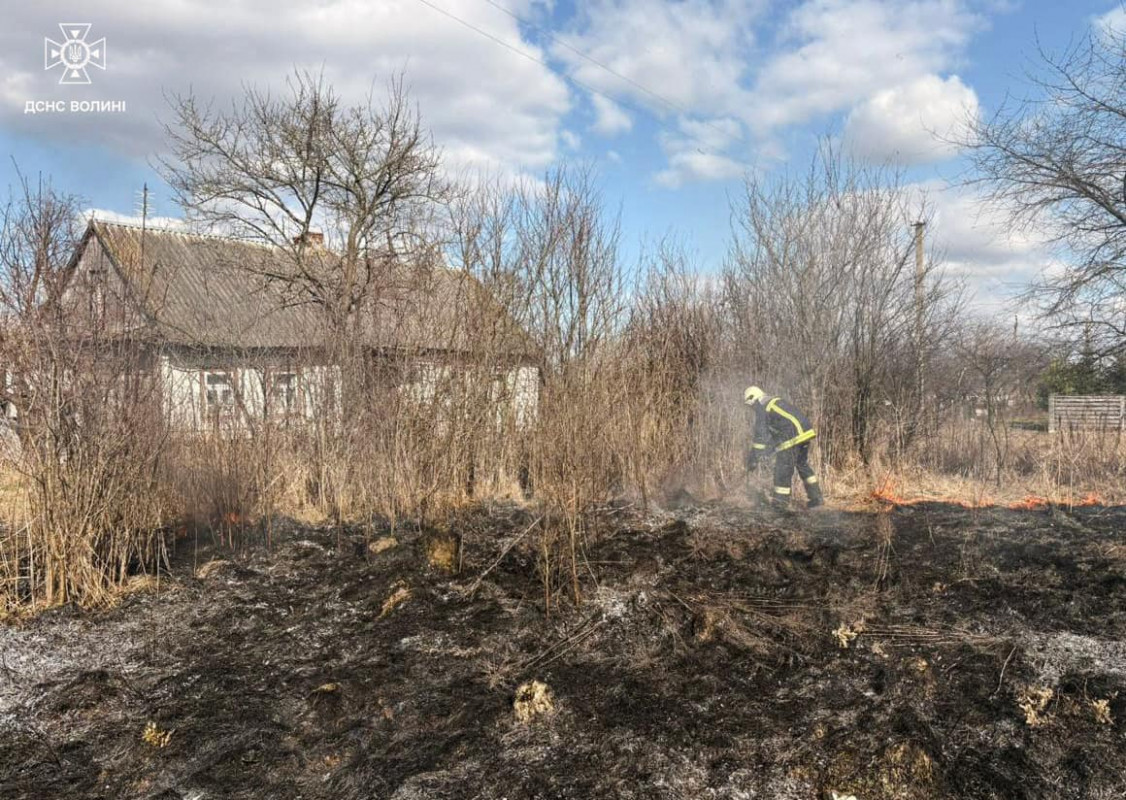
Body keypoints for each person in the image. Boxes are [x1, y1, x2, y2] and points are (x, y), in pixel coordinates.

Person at [743, 386, 824, 509]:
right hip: (805, 433)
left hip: (792, 437)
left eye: (751, 406)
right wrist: (767, 451)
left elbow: (760, 436)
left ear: (753, 399)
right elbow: (776, 432)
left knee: (782, 470)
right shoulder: (776, 402)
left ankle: (780, 505)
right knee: (802, 465)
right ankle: (816, 498)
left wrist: (753, 458)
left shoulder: (762, 407)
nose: (753, 409)